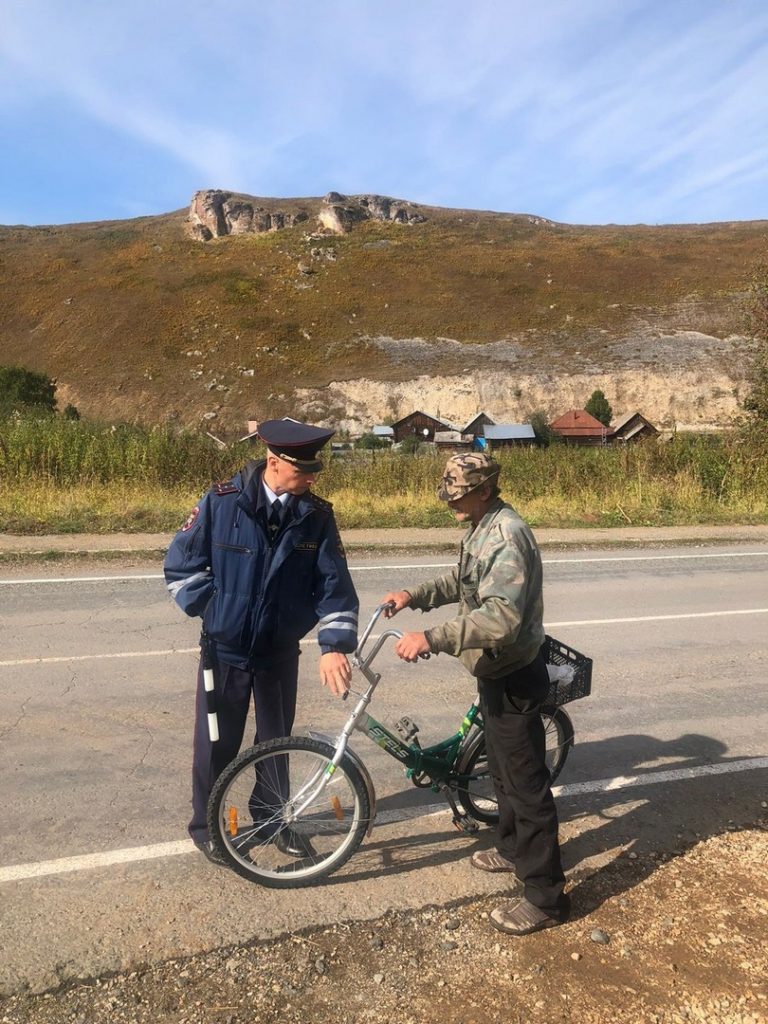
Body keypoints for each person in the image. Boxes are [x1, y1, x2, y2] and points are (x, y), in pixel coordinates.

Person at [380, 452, 569, 936]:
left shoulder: (507, 536)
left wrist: (432, 637)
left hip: (514, 675)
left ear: (485, 489)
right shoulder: (481, 526)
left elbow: (501, 618)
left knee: (525, 786)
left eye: (457, 495)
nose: (450, 503)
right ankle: (509, 848)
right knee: (503, 774)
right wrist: (414, 595)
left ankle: (546, 897)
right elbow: (461, 583)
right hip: (494, 670)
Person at [164, 418, 359, 863]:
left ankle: (274, 820)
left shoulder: (316, 517)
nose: (311, 479)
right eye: (303, 471)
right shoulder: (221, 503)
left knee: (276, 741)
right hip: (225, 651)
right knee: (217, 743)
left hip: (277, 652)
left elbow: (335, 588)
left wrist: (333, 646)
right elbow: (180, 567)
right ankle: (208, 828)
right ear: (274, 462)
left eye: (314, 472)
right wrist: (216, 613)